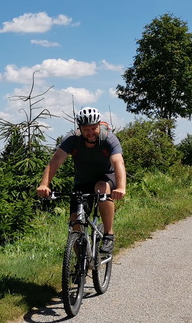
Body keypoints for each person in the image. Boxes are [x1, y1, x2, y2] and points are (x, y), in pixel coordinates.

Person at [36, 107, 126, 254]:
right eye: (86, 129)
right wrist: (44, 185)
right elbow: (56, 161)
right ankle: (81, 263)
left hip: (106, 178)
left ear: (99, 125)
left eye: (93, 128)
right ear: (80, 128)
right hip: (83, 181)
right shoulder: (73, 139)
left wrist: (121, 188)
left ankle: (108, 234)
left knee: (100, 188)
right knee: (75, 222)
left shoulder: (108, 138)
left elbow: (118, 163)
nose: (90, 133)